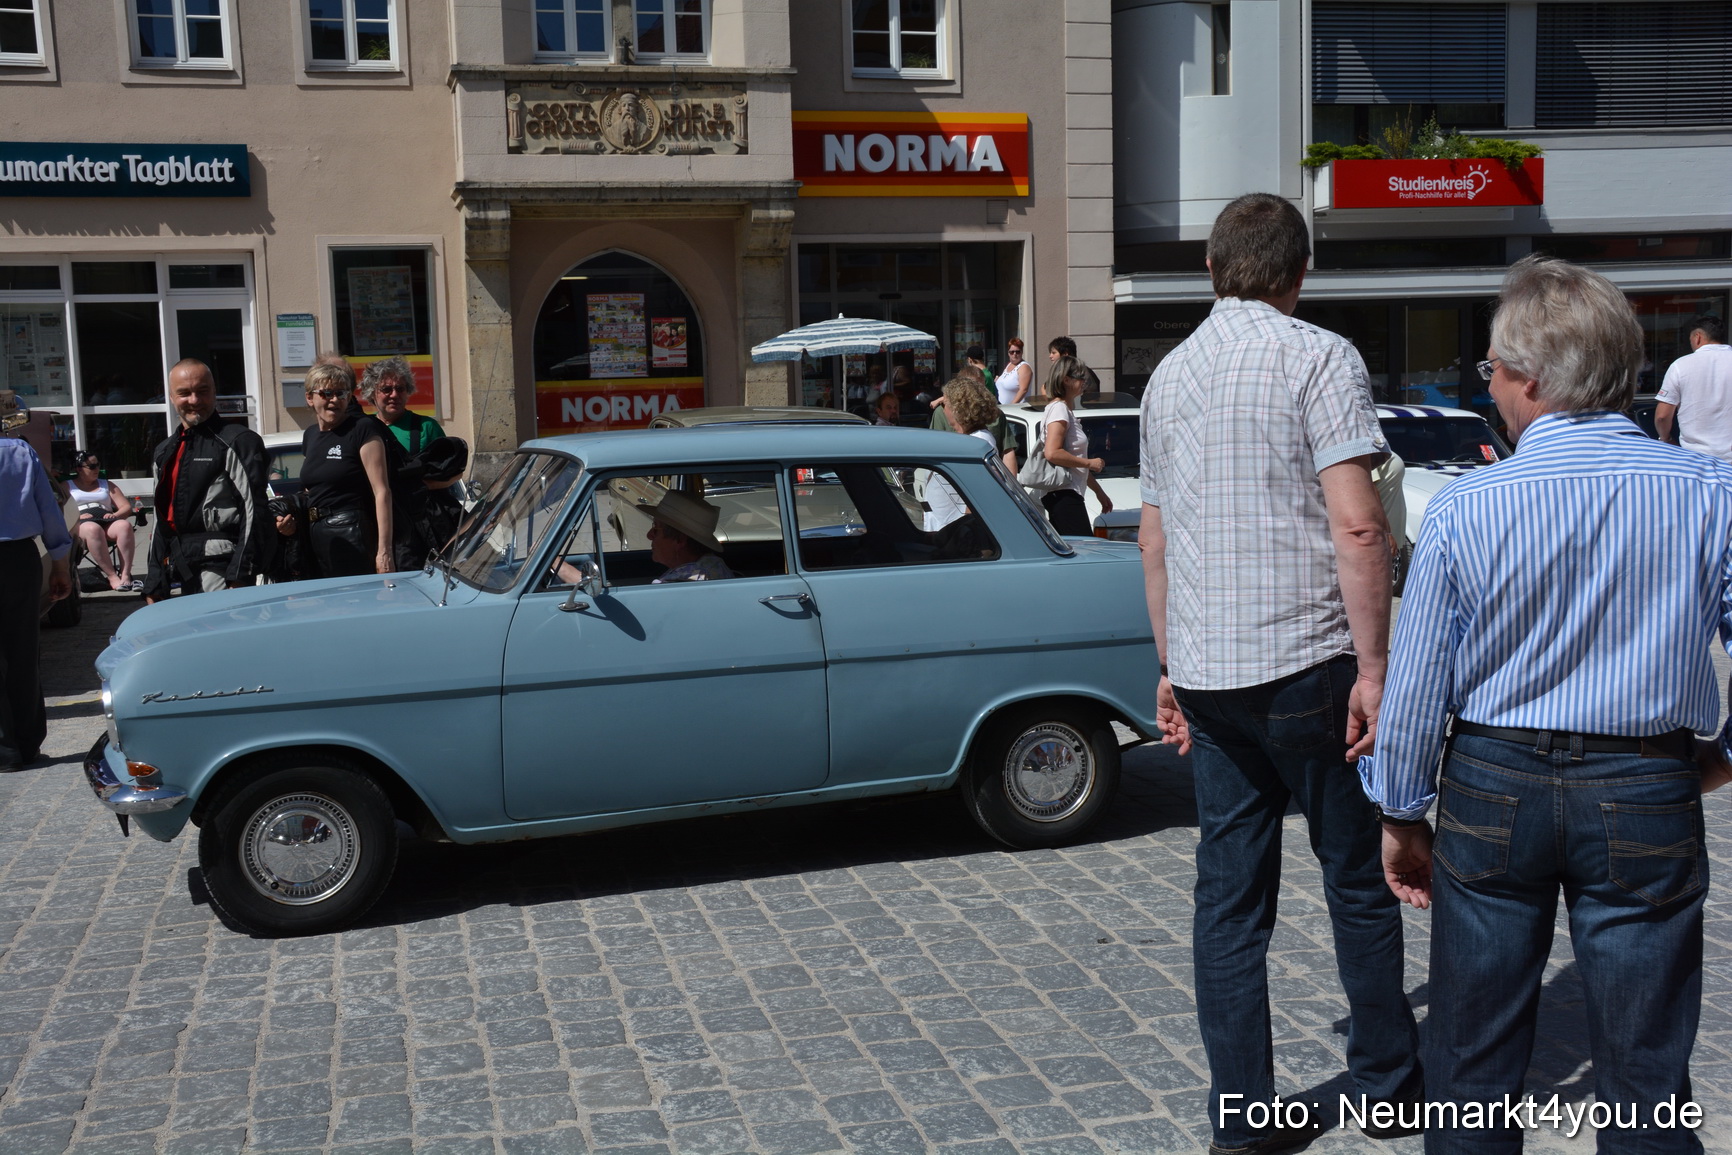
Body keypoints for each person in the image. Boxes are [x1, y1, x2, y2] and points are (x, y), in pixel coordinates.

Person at [1364, 256, 1729, 1155]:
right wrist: (1729, 747)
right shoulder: (1708, 495)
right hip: (1647, 780)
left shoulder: (1467, 506)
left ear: (1528, 378)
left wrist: (1402, 811)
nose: (1488, 385)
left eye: (1490, 369)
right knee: (1646, 1074)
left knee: (1473, 1066)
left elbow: (1416, 687)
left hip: (1494, 781)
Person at [1140, 192, 1419, 1154]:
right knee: (1353, 877)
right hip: (1309, 661)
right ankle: (1386, 1082)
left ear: (1213, 270)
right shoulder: (1320, 356)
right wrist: (1376, 667)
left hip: (1213, 674)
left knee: (1228, 898)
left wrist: (1169, 664)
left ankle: (1242, 1120)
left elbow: (1155, 537)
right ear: (1298, 274)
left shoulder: (1167, 377)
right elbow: (1357, 521)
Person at [142, 359, 272, 602]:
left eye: (202, 391)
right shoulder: (164, 451)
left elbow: (255, 512)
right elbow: (160, 523)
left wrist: (240, 576)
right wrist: (154, 584)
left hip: (222, 570)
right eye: (184, 393)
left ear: (214, 392)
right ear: (171, 397)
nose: (194, 400)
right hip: (182, 568)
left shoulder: (238, 440)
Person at [0, 427, 71, 773]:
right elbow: (49, 509)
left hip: (17, 554)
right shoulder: (19, 452)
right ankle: (27, 743)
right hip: (18, 559)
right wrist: (60, 563)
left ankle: (4, 748)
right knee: (23, 651)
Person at [281, 360, 394, 577]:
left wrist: (384, 552)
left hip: (351, 532)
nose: (334, 400)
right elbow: (311, 490)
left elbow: (382, 492)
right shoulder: (311, 435)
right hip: (316, 536)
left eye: (341, 394)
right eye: (326, 393)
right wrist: (290, 518)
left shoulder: (362, 428)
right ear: (309, 398)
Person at [1039, 356, 1109, 536]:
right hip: (1064, 496)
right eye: (1080, 377)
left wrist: (1099, 492)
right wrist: (1089, 463)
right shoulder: (1059, 409)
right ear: (1066, 379)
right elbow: (1052, 453)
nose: (1084, 382)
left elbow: (1073, 463)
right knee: (1085, 555)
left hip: (1067, 495)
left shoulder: (1062, 409)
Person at [924, 376, 999, 531]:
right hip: (944, 531)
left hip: (955, 535)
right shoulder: (972, 440)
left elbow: (980, 497)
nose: (943, 410)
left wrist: (965, 532)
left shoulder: (978, 443)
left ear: (958, 408)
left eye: (945, 405)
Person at [1654, 313, 1731, 457]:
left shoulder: (1680, 365)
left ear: (1698, 337)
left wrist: (1666, 439)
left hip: (1696, 458)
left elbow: (1662, 416)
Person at [67, 449, 139, 591]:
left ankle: (125, 575)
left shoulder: (107, 485)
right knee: (93, 529)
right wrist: (76, 516)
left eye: (98, 465)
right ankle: (112, 576)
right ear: (79, 469)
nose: (97, 469)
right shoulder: (67, 486)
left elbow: (125, 507)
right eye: (92, 466)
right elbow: (59, 510)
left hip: (106, 520)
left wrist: (116, 515)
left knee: (124, 526)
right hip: (81, 523)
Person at [643, 492, 732, 582]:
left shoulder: (677, 583)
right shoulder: (714, 564)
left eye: (656, 530)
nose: (649, 535)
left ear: (680, 540)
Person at [996, 338, 1033, 405]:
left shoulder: (1024, 367)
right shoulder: (1009, 364)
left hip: (1015, 410)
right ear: (1008, 353)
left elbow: (1023, 390)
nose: (1014, 354)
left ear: (1022, 352)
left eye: (1017, 352)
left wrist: (1011, 406)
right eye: (1012, 352)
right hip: (1002, 408)